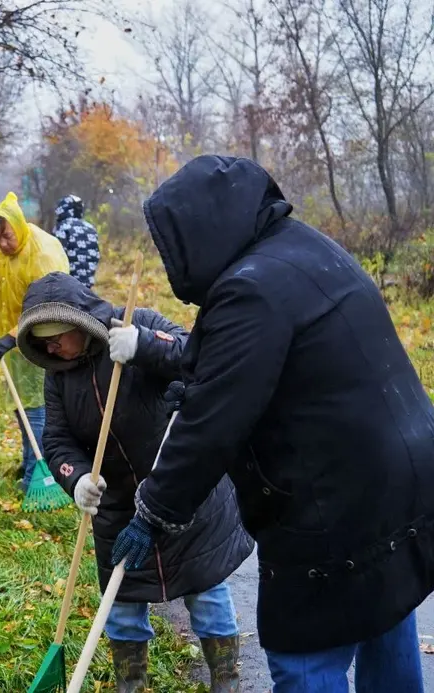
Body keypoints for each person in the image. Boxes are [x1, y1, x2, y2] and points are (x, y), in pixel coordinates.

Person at [110, 155, 434, 692]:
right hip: (400, 476)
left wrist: (152, 512)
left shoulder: (250, 289)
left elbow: (211, 425)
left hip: (336, 503)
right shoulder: (304, 248)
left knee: (304, 655)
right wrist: (193, 371)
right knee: (384, 612)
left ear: (197, 234)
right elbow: (257, 359)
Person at [17, 271, 252, 691]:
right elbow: (56, 441)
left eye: (54, 338)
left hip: (180, 490)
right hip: (118, 509)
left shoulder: (137, 322)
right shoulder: (59, 376)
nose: (49, 348)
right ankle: (131, 685)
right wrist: (76, 479)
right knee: (122, 610)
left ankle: (226, 682)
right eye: (42, 342)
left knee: (205, 592)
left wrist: (144, 346)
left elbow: (198, 356)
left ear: (79, 323)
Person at [0, 192, 69, 491]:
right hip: (13, 341)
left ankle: (39, 473)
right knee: (22, 406)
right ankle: (29, 460)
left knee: (36, 407)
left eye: (6, 236)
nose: (2, 244)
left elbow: (47, 306)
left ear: (18, 226)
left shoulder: (42, 254)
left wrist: (11, 337)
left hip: (44, 340)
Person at [51, 194, 100, 288]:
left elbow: (56, 256)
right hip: (87, 284)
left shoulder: (61, 228)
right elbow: (96, 255)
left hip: (67, 284)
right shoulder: (91, 228)